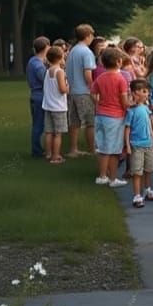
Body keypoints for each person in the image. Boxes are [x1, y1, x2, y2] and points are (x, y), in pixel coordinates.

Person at [90, 47, 132, 188]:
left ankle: (103, 175)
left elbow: (93, 93)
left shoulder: (100, 78)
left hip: (100, 115)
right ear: (119, 61)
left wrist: (99, 102)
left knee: (102, 147)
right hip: (115, 117)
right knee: (114, 150)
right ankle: (111, 178)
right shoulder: (121, 79)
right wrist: (134, 104)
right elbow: (124, 102)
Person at [124, 78, 153, 208]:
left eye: (147, 92)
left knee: (148, 169)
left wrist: (152, 129)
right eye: (144, 91)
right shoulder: (131, 111)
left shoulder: (146, 108)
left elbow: (150, 120)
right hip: (136, 145)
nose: (146, 94)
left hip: (148, 144)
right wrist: (128, 146)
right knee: (137, 171)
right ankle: (137, 195)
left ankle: (148, 189)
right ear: (134, 93)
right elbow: (127, 129)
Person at [65, 24, 97, 157]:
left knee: (74, 122)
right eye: (92, 35)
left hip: (73, 91)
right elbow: (87, 73)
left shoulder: (73, 51)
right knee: (90, 122)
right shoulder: (87, 52)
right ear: (88, 36)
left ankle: (73, 149)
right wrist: (93, 88)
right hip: (84, 91)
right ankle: (92, 149)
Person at [42, 45, 69, 165]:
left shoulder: (48, 71)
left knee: (49, 131)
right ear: (60, 57)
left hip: (48, 105)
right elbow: (62, 89)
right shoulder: (60, 72)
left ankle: (48, 153)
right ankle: (55, 156)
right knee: (58, 133)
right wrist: (69, 87)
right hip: (58, 106)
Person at [27, 36, 50, 158]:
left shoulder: (33, 61)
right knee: (39, 125)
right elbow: (45, 79)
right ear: (45, 47)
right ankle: (36, 150)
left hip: (35, 96)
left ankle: (38, 149)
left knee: (38, 124)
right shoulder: (38, 65)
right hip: (39, 96)